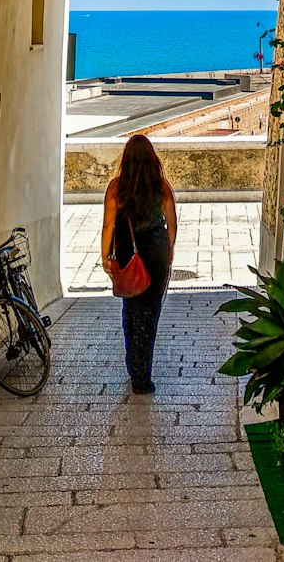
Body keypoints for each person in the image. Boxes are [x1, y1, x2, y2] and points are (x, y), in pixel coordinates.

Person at [101, 133, 177, 395]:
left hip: (126, 254)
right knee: (149, 313)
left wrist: (105, 257)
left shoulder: (116, 188)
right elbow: (172, 223)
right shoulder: (161, 187)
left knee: (131, 308)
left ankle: (134, 362)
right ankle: (141, 377)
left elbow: (108, 225)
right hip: (155, 252)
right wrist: (169, 251)